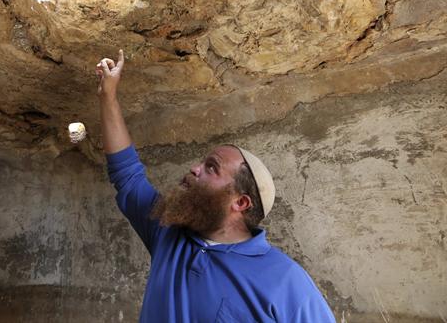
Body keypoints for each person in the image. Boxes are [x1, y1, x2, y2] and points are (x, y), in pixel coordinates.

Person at [96, 49, 335, 322]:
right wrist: (108, 96)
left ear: (241, 202)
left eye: (212, 167)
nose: (195, 168)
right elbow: (127, 175)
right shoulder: (168, 235)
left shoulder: (286, 280)